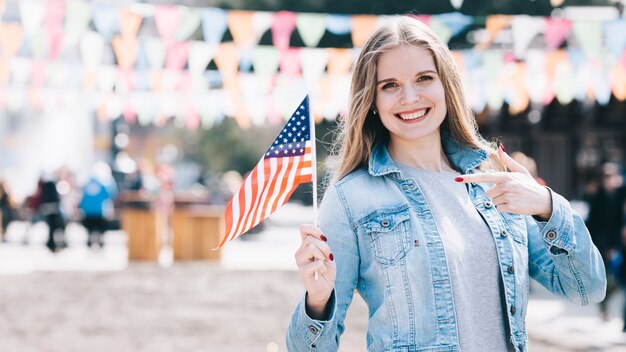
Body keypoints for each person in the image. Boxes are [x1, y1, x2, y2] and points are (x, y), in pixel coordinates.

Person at [286, 17, 605, 352]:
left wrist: (546, 206)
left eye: (424, 78)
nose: (409, 97)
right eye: (389, 85)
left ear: (446, 86)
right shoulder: (351, 199)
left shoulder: (494, 182)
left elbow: (587, 289)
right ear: (373, 100)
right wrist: (317, 301)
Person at [584, 162, 626, 323]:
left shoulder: (620, 194)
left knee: (617, 279)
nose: (611, 180)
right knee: (606, 277)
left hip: (617, 243)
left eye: (613, 176)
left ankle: (605, 303)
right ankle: (604, 306)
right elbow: (593, 224)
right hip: (602, 243)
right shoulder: (597, 197)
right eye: (607, 177)